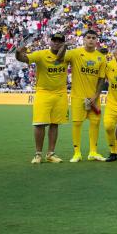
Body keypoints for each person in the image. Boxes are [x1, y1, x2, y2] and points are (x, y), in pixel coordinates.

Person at [14, 32, 68, 164]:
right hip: (43, 93)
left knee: (55, 124)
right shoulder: (41, 54)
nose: (56, 43)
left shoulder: (68, 55)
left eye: (59, 41)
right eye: (54, 40)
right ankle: (38, 154)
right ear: (50, 41)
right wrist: (17, 52)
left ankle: (51, 154)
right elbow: (22, 58)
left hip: (60, 94)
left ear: (63, 43)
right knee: (39, 124)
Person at [64, 30, 107, 162]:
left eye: (93, 38)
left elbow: (101, 79)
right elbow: (59, 58)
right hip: (78, 97)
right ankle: (77, 153)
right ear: (83, 39)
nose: (91, 40)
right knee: (77, 124)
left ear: (96, 40)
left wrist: (96, 95)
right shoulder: (75, 53)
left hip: (94, 98)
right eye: (88, 37)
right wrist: (65, 44)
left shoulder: (101, 57)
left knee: (95, 123)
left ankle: (93, 152)